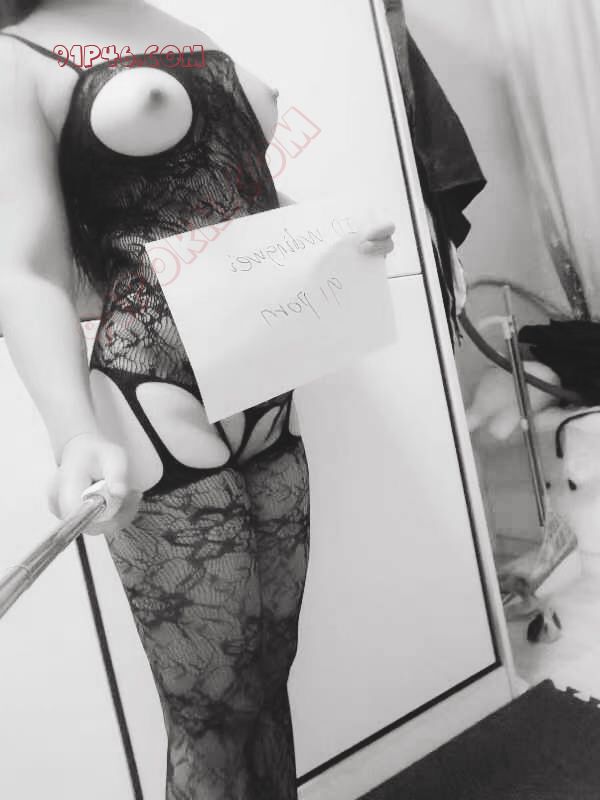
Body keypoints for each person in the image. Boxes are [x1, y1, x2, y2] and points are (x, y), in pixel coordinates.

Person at [0, 1, 395, 797]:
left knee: (270, 675)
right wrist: (73, 434)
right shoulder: (18, 56)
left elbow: (235, 205)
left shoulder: (181, 27)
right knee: (210, 713)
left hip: (263, 381)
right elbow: (24, 267)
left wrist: (331, 238)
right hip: (151, 392)